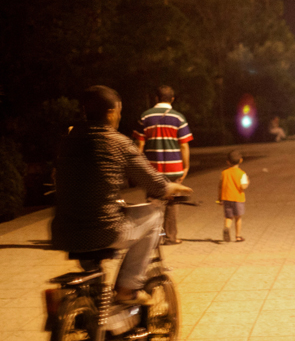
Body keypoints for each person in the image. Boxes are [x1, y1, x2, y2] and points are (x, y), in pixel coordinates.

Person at [51, 86, 192, 304]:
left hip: (63, 232)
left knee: (92, 254)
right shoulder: (117, 142)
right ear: (110, 113)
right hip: (104, 231)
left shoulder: (68, 141)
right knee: (154, 216)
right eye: (119, 110)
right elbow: (152, 182)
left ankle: (96, 298)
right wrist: (173, 188)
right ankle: (127, 288)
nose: (120, 115)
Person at [134, 85, 193, 245]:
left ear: (156, 98)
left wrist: (139, 168)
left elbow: (139, 145)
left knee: (153, 203)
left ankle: (153, 237)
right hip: (174, 168)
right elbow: (184, 145)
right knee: (172, 203)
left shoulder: (145, 117)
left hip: (152, 169)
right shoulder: (179, 118)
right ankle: (171, 237)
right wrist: (185, 167)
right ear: (172, 99)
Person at [218, 149, 249, 242]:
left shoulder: (224, 173)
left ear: (228, 162)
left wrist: (219, 198)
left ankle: (227, 228)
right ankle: (238, 236)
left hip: (227, 198)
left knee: (228, 217)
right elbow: (243, 186)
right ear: (241, 160)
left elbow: (220, 186)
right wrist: (247, 182)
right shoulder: (242, 174)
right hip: (238, 198)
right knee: (238, 217)